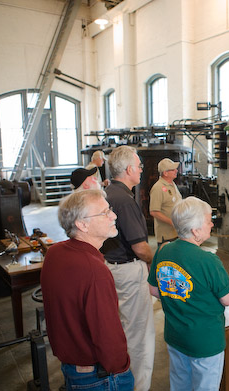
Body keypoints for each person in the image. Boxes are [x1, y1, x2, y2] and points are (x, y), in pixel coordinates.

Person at [40, 189, 134, 390]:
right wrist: (121, 368)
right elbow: (107, 332)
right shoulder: (94, 271)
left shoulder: (55, 253)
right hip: (98, 377)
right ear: (82, 224)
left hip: (72, 367)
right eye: (104, 212)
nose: (114, 215)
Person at [148, 196, 229, 391]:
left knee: (180, 384)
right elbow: (228, 299)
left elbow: (154, 289)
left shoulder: (163, 251)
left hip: (176, 336)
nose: (212, 224)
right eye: (208, 220)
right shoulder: (208, 260)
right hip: (205, 342)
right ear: (195, 230)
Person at [100, 145, 155, 391]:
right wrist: (156, 262)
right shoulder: (125, 200)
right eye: (140, 166)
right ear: (130, 169)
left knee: (123, 328)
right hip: (129, 271)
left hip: (110, 266)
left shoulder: (107, 192)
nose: (142, 170)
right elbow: (140, 247)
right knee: (140, 335)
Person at [149, 158, 182, 245]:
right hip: (166, 235)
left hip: (176, 233)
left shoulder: (172, 184)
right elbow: (154, 212)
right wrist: (172, 222)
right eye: (172, 169)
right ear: (165, 173)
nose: (176, 170)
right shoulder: (158, 188)